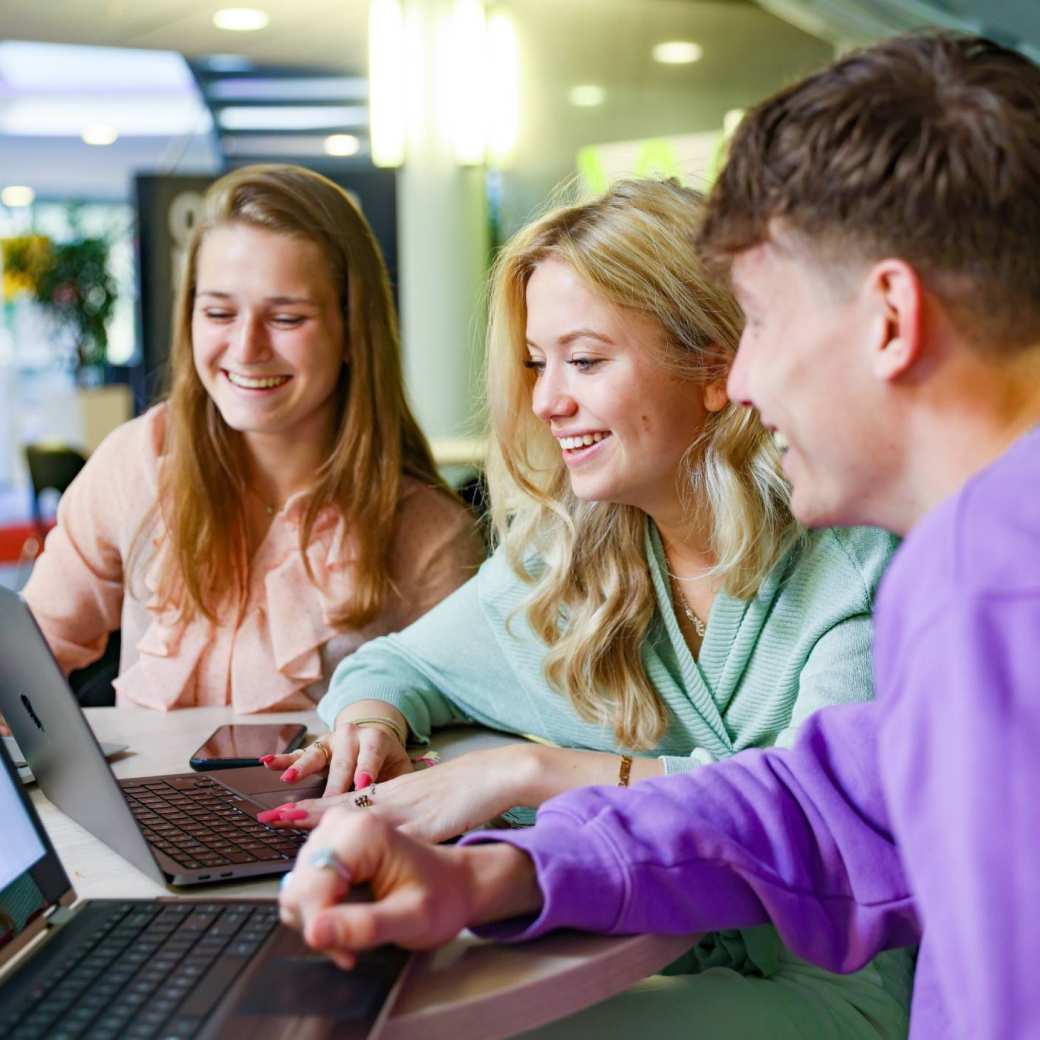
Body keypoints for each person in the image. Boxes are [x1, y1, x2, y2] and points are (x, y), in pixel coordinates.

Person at [277, 32, 1040, 1039]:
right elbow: (828, 807)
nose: (745, 380)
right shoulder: (964, 559)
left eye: (760, 321)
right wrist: (496, 870)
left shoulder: (980, 583)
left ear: (888, 318)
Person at [21, 164, 483, 712]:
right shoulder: (139, 461)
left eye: (287, 318)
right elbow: (31, 655)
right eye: (218, 312)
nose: (245, 348)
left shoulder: (429, 536)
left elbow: (458, 757)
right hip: (141, 799)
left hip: (323, 802)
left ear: (352, 332)